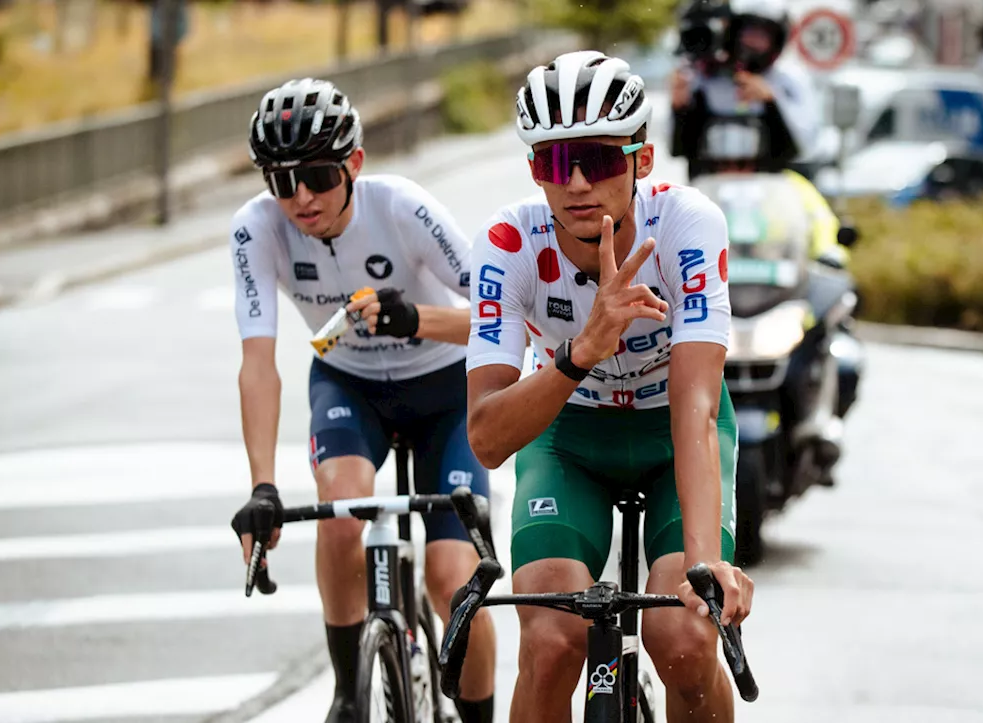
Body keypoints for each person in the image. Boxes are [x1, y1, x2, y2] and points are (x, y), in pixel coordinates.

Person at [465, 50, 756, 722]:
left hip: (670, 431)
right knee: (550, 642)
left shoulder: (686, 223)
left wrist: (706, 564)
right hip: (568, 439)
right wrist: (581, 351)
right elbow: (486, 438)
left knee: (684, 638)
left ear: (641, 161)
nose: (574, 183)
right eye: (551, 162)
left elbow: (696, 404)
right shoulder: (509, 242)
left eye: (596, 160)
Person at [226, 78, 497, 723]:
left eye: (317, 175)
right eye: (280, 181)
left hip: (444, 389)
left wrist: (418, 319)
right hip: (349, 384)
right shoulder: (256, 229)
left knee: (451, 581)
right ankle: (349, 695)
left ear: (354, 164)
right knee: (341, 512)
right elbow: (257, 365)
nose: (300, 199)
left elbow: (501, 316)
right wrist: (263, 487)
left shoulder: (402, 208)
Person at [670, 0, 820, 181]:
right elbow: (679, 148)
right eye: (748, 32)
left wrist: (771, 102)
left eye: (763, 35)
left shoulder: (788, 80)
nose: (753, 43)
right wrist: (680, 108)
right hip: (711, 188)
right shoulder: (702, 80)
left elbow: (805, 146)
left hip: (770, 189)